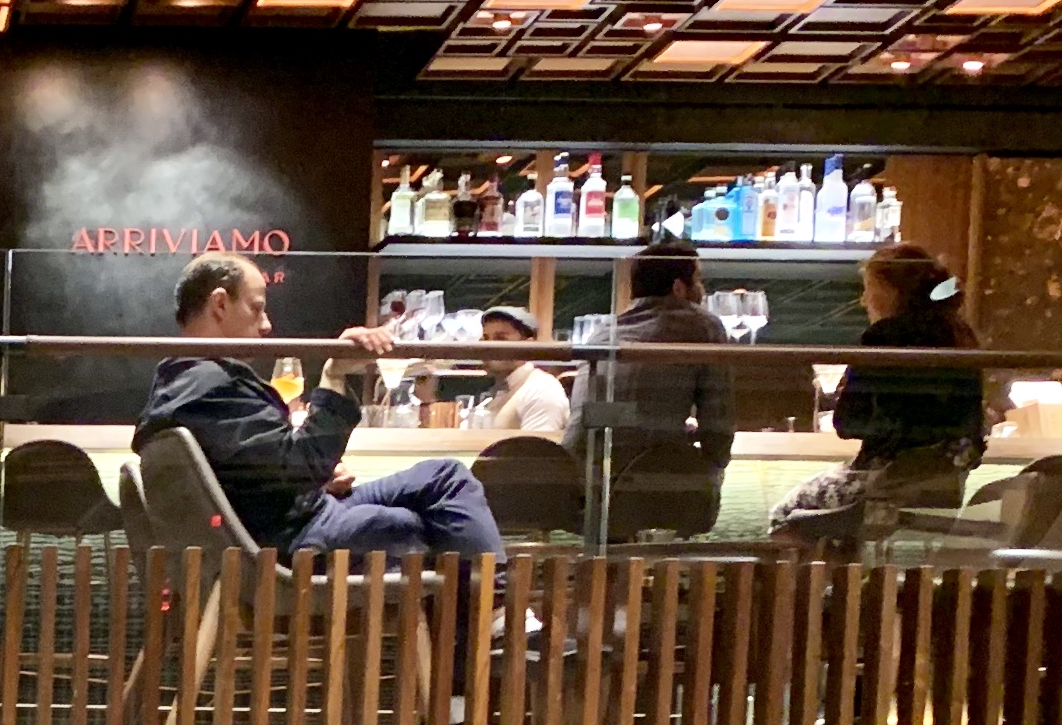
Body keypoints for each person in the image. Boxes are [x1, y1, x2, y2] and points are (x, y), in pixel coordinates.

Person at [138, 253, 500, 560]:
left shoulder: (187, 380)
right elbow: (299, 466)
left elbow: (270, 473)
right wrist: (334, 375)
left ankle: (487, 607)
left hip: (298, 512)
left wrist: (318, 477)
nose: (266, 325)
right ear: (220, 304)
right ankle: (491, 610)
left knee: (444, 477)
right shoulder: (207, 385)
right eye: (257, 308)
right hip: (289, 537)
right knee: (410, 522)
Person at [775, 242, 984, 550]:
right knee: (839, 528)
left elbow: (847, 423)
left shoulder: (884, 336)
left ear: (891, 291)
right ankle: (851, 578)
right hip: (944, 484)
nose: (863, 300)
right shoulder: (961, 334)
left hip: (886, 485)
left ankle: (823, 581)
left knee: (784, 515)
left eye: (868, 288)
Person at [590, 238, 736, 538]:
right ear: (679, 288)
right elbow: (718, 420)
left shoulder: (603, 333)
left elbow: (617, 418)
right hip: (650, 486)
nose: (702, 289)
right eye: (698, 280)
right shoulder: (702, 325)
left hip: (586, 486)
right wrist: (714, 466)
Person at [469, 305, 570, 439]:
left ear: (528, 346)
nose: (490, 347)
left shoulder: (541, 389)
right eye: (486, 339)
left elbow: (537, 450)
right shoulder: (502, 390)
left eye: (501, 339)